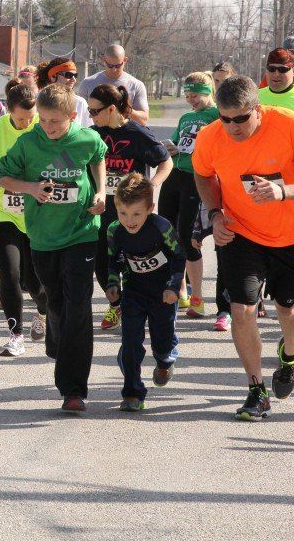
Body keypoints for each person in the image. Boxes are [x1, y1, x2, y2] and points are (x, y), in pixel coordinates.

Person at [0, 84, 107, 413]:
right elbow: (4, 177)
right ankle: (55, 335)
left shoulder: (86, 138)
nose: (48, 128)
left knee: (79, 309)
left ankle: (73, 389)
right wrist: (30, 187)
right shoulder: (29, 143)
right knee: (56, 304)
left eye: (56, 122)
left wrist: (101, 192)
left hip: (82, 233)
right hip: (43, 237)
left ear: (73, 117)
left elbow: (99, 156)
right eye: (43, 120)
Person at [192, 75, 294, 421]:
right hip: (241, 233)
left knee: (287, 312)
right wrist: (216, 213)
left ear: (258, 110)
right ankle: (256, 390)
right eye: (225, 118)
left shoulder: (287, 124)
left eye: (241, 118)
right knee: (242, 310)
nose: (232, 127)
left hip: (290, 235)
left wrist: (284, 192)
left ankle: (290, 359)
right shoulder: (210, 137)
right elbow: (203, 175)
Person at [88, 83, 172, 330]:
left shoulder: (138, 133)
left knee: (135, 263)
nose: (91, 116)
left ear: (112, 109)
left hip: (132, 213)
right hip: (102, 209)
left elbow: (165, 162)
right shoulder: (93, 134)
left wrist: (151, 185)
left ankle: (142, 307)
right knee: (102, 264)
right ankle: (117, 305)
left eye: (95, 111)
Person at [0, 84, 48, 356]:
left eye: (31, 118)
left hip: (35, 214)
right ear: (9, 111)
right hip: (2, 211)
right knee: (10, 274)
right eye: (21, 119)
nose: (26, 123)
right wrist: (24, 182)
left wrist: (11, 178)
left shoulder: (41, 127)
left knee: (35, 284)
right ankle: (15, 334)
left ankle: (43, 311)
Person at [105, 173, 184, 412]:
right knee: (130, 343)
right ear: (116, 207)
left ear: (150, 208)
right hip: (134, 292)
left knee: (161, 340)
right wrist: (112, 284)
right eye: (123, 213)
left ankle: (165, 359)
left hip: (162, 294)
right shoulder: (114, 230)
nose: (130, 220)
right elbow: (114, 260)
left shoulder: (161, 227)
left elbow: (179, 256)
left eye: (137, 214)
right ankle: (132, 392)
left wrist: (173, 286)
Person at [161, 72, 218, 319]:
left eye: (194, 95)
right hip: (175, 175)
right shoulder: (186, 117)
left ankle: (198, 299)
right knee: (165, 231)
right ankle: (181, 291)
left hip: (198, 178)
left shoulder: (217, 115)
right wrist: (169, 148)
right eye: (187, 95)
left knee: (187, 237)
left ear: (207, 92)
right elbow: (175, 143)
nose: (190, 100)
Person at [76, 44, 149, 125]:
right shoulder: (88, 83)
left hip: (123, 135)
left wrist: (124, 108)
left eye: (118, 65)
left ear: (125, 60)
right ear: (104, 60)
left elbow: (143, 120)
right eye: (110, 65)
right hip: (95, 134)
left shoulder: (136, 85)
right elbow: (79, 115)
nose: (114, 69)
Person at [36, 57, 91, 128]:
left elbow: (87, 130)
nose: (73, 79)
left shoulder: (80, 102)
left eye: (75, 75)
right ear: (53, 76)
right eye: (68, 75)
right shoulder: (36, 100)